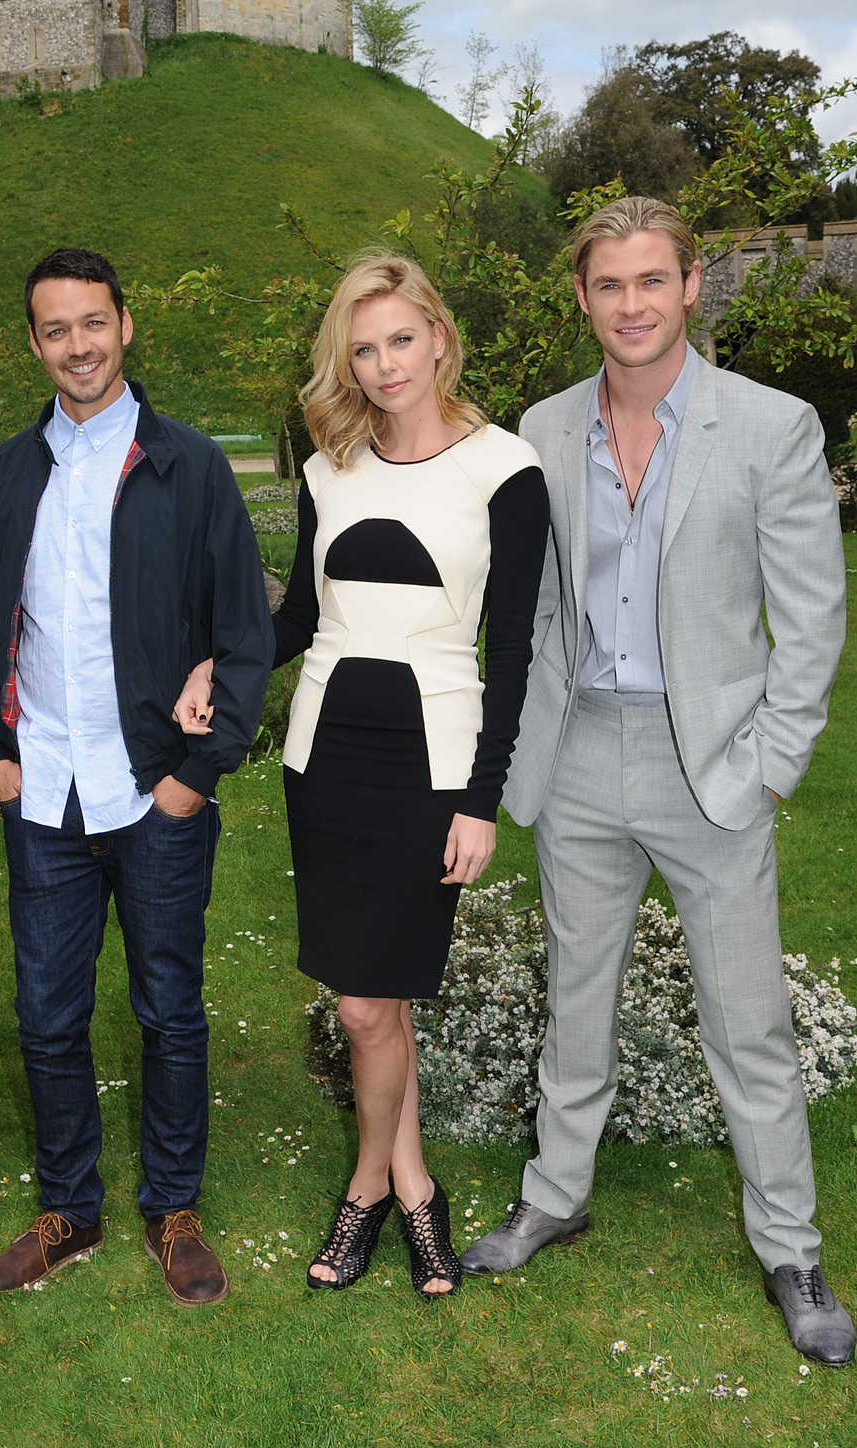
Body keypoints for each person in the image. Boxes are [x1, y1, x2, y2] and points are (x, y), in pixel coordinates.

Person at [457, 196, 855, 1366]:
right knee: (575, 996)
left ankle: (788, 1245)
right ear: (580, 298)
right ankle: (553, 1193)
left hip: (710, 767)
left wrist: (768, 764)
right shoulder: (539, 426)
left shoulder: (770, 426)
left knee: (748, 1022)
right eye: (606, 285)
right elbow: (527, 606)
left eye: (650, 281)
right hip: (579, 756)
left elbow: (813, 619)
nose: (629, 305)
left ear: (690, 286)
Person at [176, 253, 549, 1298]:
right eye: (362, 344)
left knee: (365, 1006)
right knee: (369, 1003)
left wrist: (480, 799)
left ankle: (370, 1188)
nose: (382, 363)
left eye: (399, 338)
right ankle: (411, 1182)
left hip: (432, 763)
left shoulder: (505, 471)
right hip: (324, 758)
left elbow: (511, 650)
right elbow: (299, 613)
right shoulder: (328, 466)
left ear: (438, 336)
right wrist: (221, 656)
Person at [0, 248, 274, 1305]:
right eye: (55, 328)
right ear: (34, 342)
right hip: (43, 788)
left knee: (167, 1007)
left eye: (93, 322)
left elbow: (243, 633)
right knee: (46, 1015)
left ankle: (173, 1206)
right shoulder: (9, 472)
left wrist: (195, 771)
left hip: (152, 790)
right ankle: (69, 1209)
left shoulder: (187, 466)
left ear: (126, 325)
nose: (77, 345)